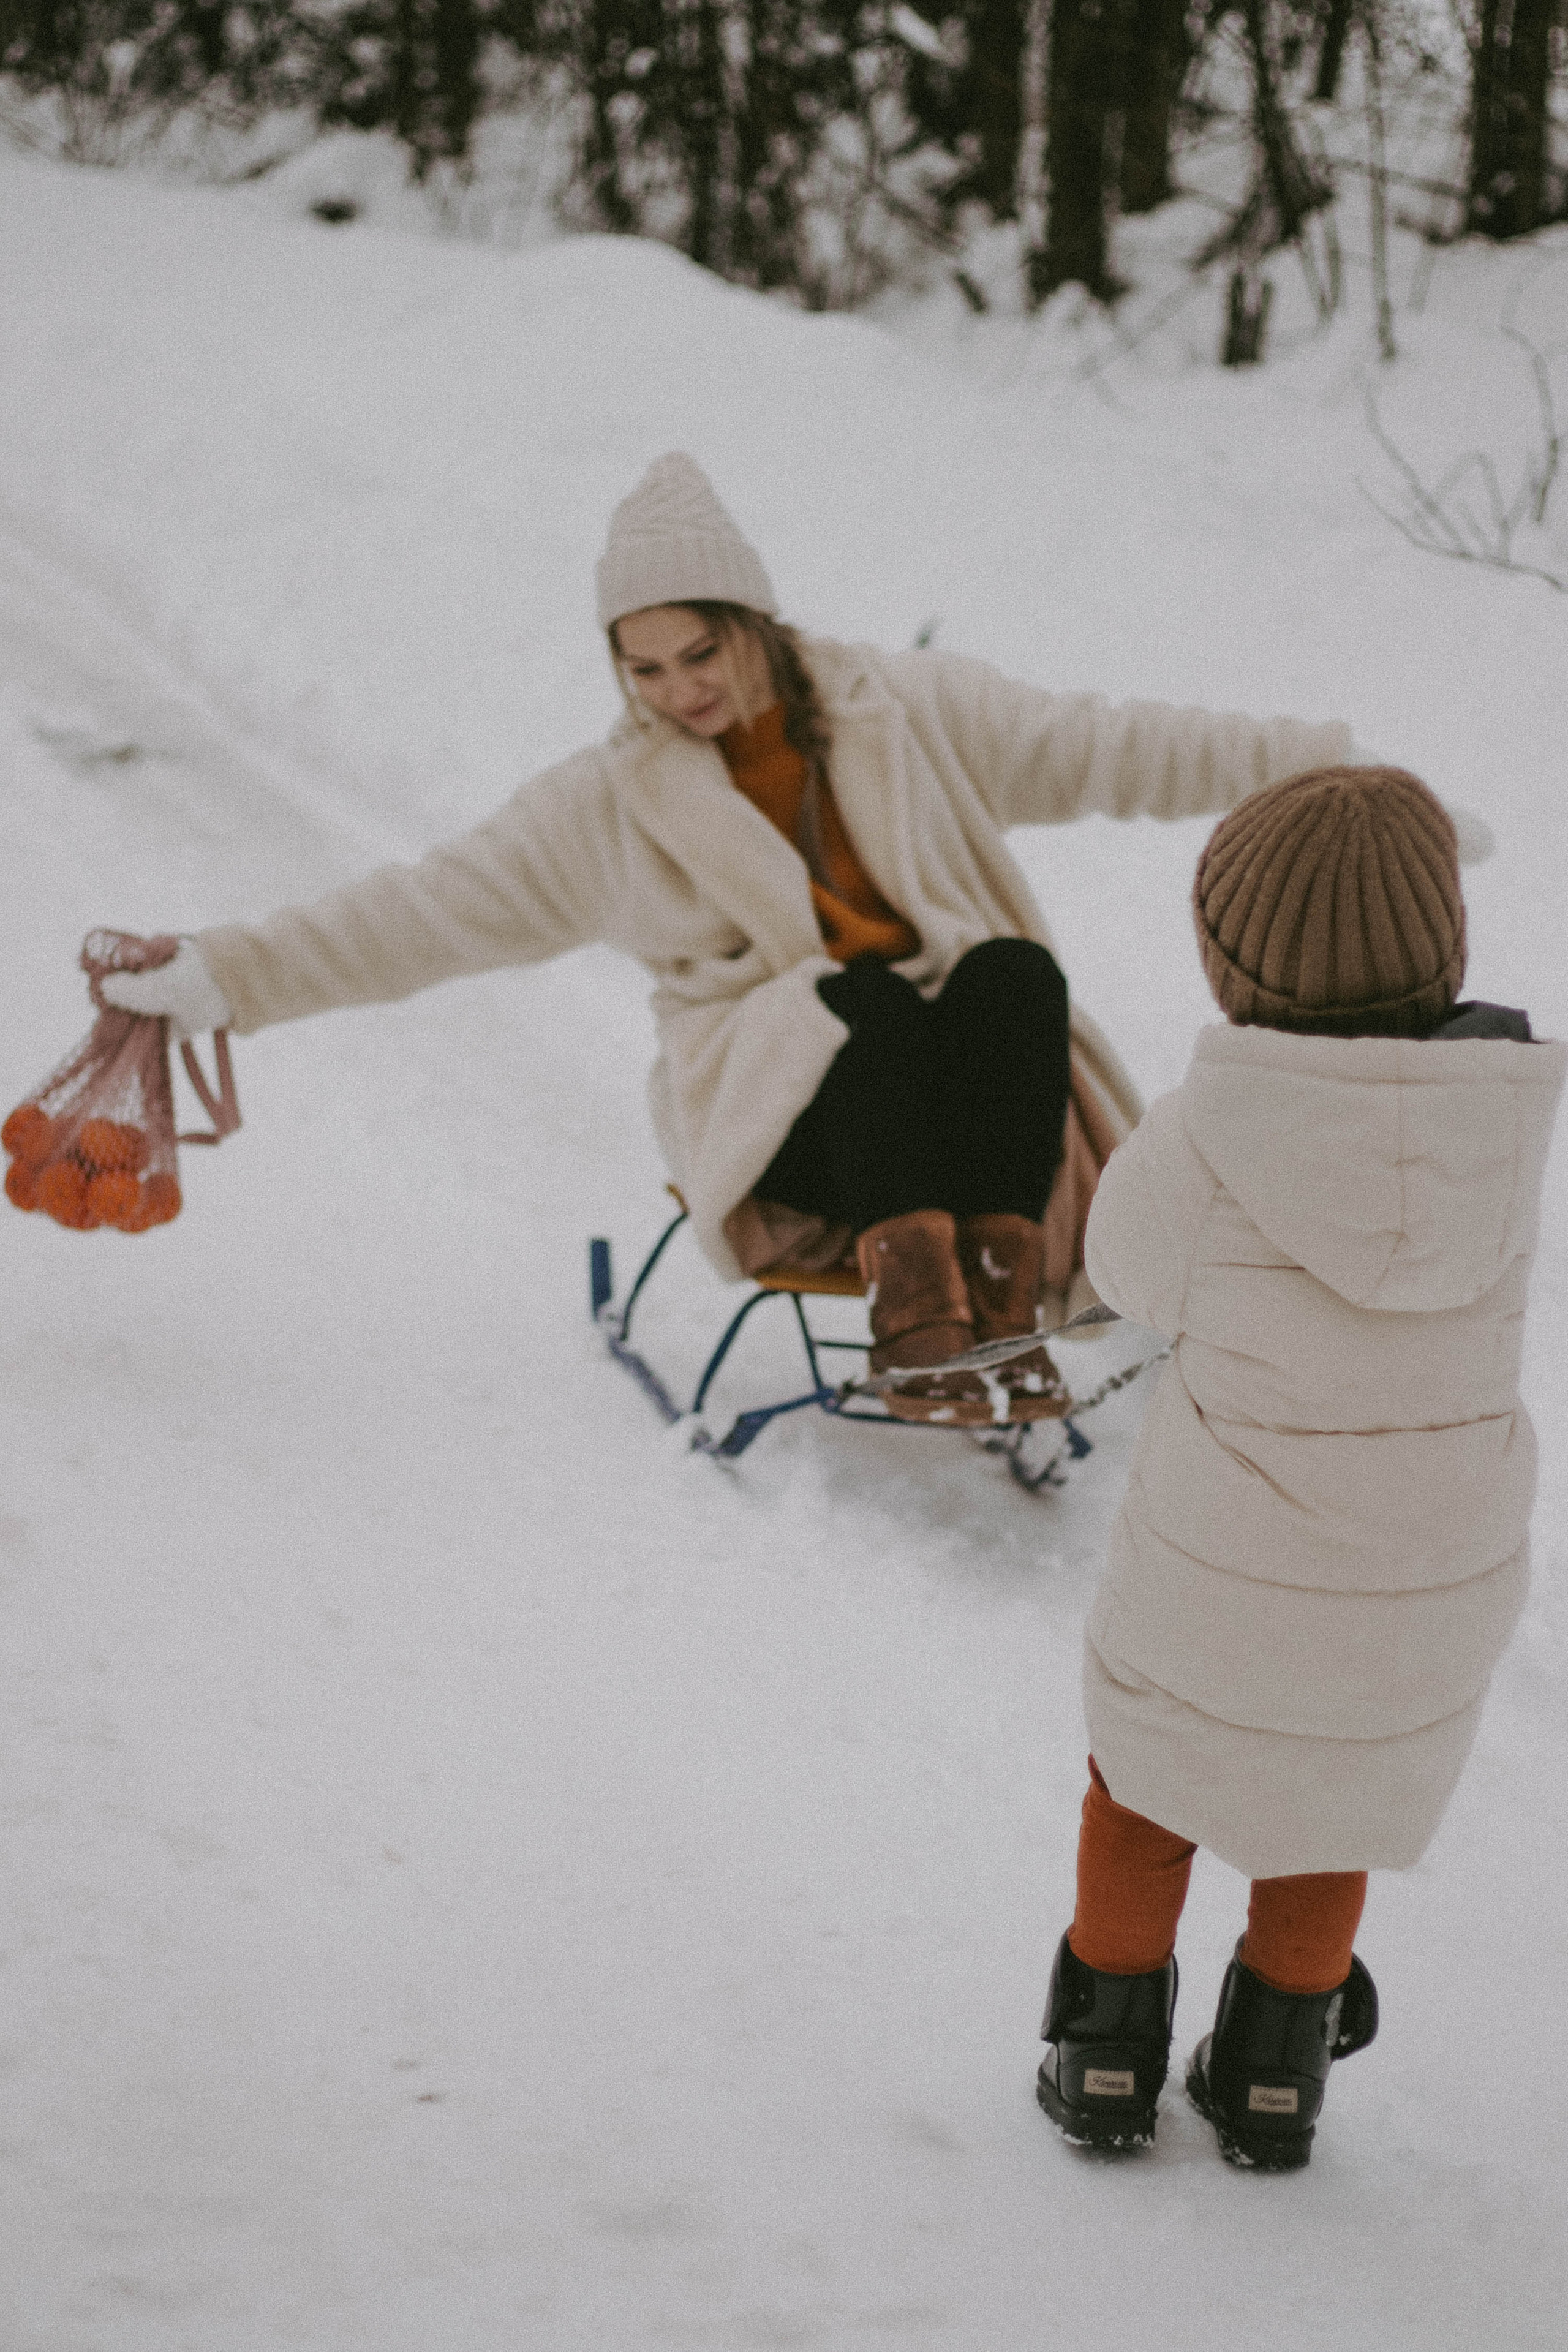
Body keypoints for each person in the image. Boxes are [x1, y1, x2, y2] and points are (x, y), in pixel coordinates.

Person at [102, 451, 1356, 1421]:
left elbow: (1117, 746)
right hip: (801, 1132)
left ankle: (999, 1305)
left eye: (698, 652)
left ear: (755, 620)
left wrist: (1327, 775)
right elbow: (423, 913)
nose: (679, 692)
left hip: (976, 1124)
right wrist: (230, 976)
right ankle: (918, 1327)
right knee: (857, 1002)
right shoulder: (609, 807)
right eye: (643, 669)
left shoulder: (905, 711)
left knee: (1011, 973)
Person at [1034, 766, 1563, 2168]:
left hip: (1225, 1569)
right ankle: (1275, 2076)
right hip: (1429, 1572)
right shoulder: (1501, 1123)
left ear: (1228, 964)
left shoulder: (1208, 1129)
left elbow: (1125, 1277)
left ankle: (1102, 2056)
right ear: (1443, 945)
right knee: (1332, 1799)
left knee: (1147, 1787)